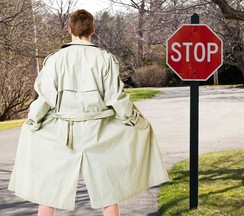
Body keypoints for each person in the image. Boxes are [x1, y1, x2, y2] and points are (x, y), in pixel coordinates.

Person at [8, 9, 170, 216]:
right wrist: (136, 121)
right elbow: (116, 98)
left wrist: (32, 122)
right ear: (93, 29)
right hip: (100, 131)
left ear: (69, 29)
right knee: (109, 192)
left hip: (60, 133)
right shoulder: (105, 59)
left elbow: (45, 99)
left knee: (47, 193)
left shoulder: (55, 60)